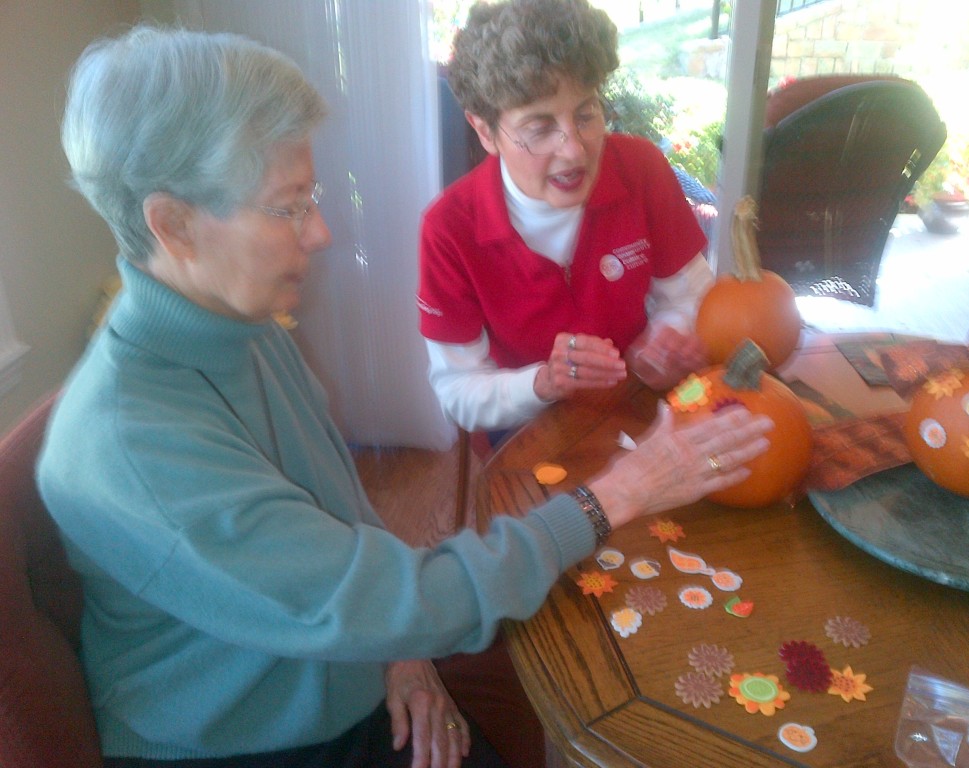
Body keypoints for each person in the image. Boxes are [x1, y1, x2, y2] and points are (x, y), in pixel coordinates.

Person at [37, 24, 773, 768]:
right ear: (175, 224)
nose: (321, 232)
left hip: (339, 664)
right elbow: (366, 600)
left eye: (311, 196)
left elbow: (339, 515)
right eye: (288, 206)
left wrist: (400, 654)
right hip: (249, 741)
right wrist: (615, 495)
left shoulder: (244, 328)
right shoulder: (131, 442)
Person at [417, 0, 715, 435]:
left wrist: (665, 340)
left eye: (586, 114)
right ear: (485, 131)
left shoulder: (641, 168)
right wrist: (544, 382)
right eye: (539, 128)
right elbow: (458, 389)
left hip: (643, 401)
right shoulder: (449, 229)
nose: (574, 150)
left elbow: (689, 297)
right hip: (529, 425)